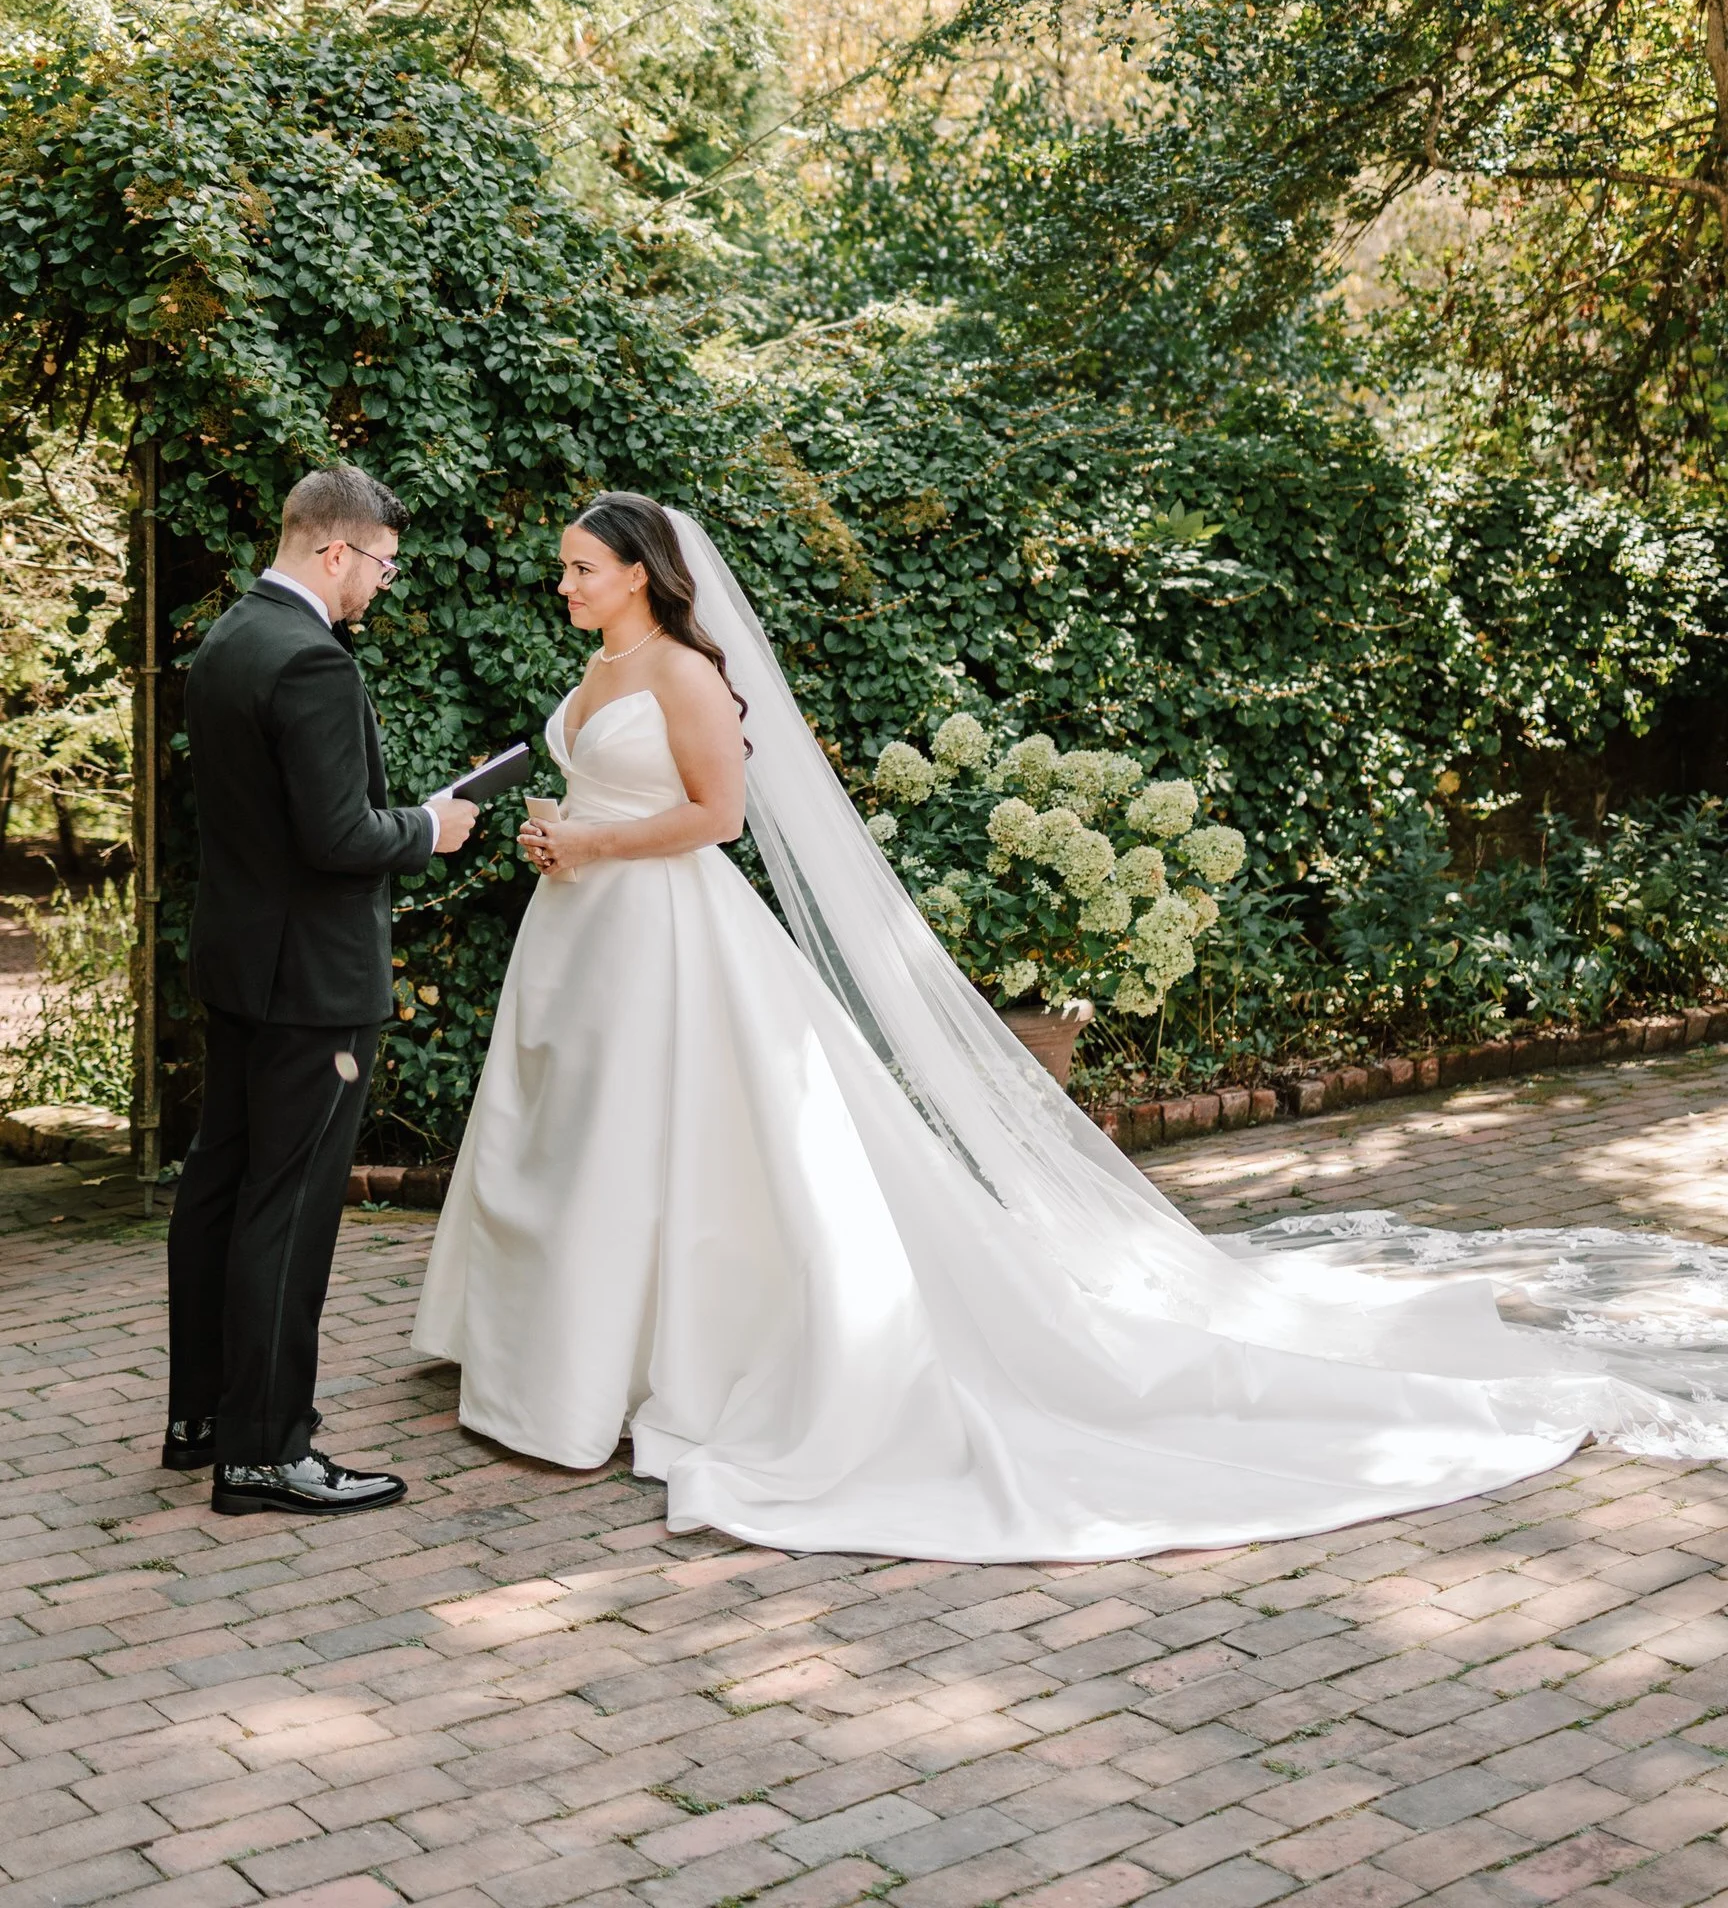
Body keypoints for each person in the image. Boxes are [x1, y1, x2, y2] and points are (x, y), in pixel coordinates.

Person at [413, 493, 1728, 1560]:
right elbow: (609, 795)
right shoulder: (597, 671)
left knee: (677, 1152)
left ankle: (649, 1371)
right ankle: (551, 1359)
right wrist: (558, 837)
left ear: (642, 573)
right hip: (582, 934)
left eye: (584, 570)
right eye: (569, 574)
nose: (569, 588)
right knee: (577, 1135)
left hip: (673, 937)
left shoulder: (689, 675)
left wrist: (600, 835)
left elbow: (719, 820)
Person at [167, 464, 477, 1517]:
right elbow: (340, 838)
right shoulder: (312, 663)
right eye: (381, 566)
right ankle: (265, 1451)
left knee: (220, 1186)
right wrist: (430, 829)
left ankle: (201, 1414)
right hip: (312, 981)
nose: (382, 586)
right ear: (334, 550)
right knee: (288, 1209)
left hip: (240, 961)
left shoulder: (229, 638)